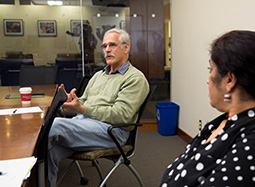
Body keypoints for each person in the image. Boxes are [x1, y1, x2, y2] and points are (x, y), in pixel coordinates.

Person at [48, 28, 149, 186]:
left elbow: (122, 115)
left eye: (112, 45)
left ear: (126, 47)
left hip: (112, 131)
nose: (107, 50)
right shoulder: (98, 75)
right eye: (104, 46)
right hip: (83, 124)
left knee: (52, 126)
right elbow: (83, 102)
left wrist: (81, 109)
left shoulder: (135, 79)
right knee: (50, 151)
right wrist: (67, 103)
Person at [161, 30, 255, 187]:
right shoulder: (222, 122)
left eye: (210, 70)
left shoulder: (250, 141)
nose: (207, 80)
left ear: (229, 80)